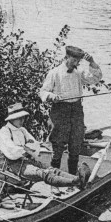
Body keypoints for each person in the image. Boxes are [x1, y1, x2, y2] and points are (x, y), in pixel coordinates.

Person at [37, 45, 102, 175]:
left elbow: (96, 78)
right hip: (60, 111)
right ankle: (54, 177)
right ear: (66, 57)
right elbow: (43, 92)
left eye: (78, 61)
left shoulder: (79, 73)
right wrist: (51, 96)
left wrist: (92, 62)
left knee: (76, 143)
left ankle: (72, 177)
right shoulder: (54, 73)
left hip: (77, 110)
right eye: (74, 60)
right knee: (58, 145)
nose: (76, 63)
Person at [0, 103, 89, 189]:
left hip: (29, 161)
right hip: (16, 166)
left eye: (23, 118)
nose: (22, 120)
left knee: (53, 170)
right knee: (44, 173)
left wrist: (27, 148)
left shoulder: (22, 130)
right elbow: (12, 152)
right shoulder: (4, 132)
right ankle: (76, 182)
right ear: (12, 119)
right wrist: (27, 149)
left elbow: (34, 145)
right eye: (19, 118)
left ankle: (78, 179)